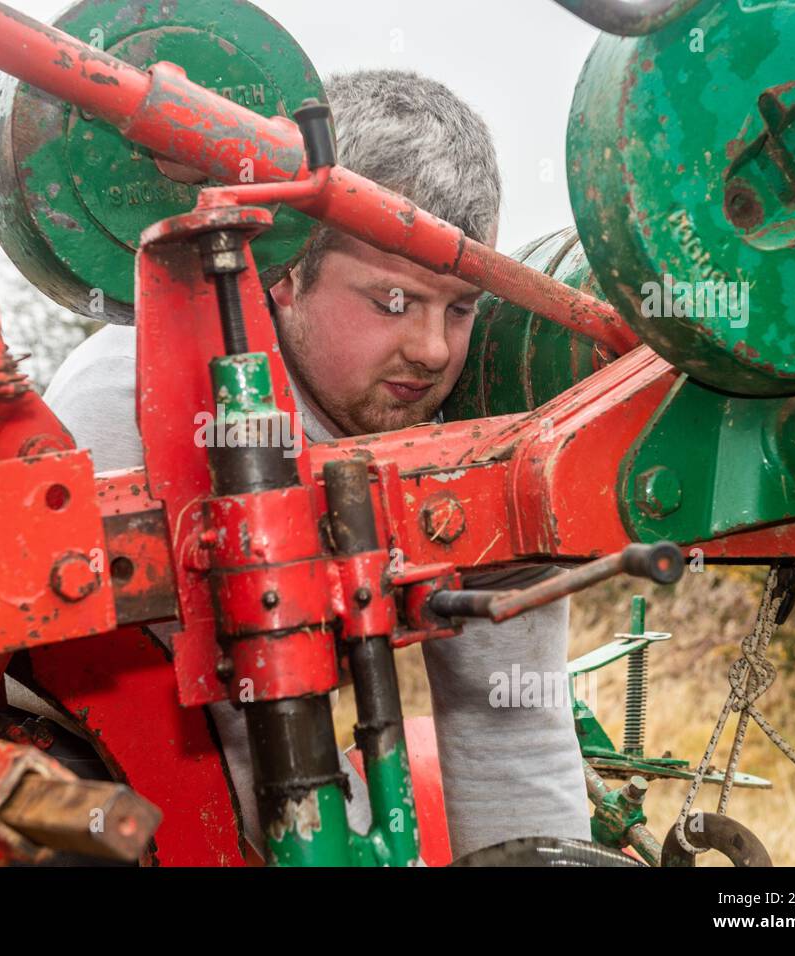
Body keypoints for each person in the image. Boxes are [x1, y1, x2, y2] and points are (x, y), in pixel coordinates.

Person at [42, 68, 590, 861]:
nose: (434, 350)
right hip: (81, 780)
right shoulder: (137, 399)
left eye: (462, 309)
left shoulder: (466, 449)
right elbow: (222, 746)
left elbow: (513, 728)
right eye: (393, 303)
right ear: (285, 273)